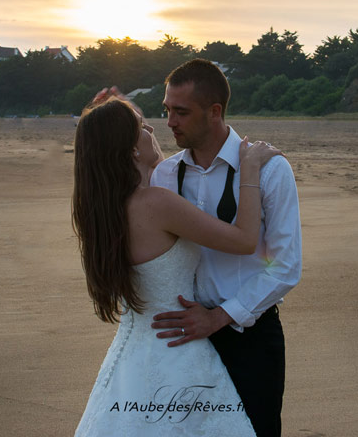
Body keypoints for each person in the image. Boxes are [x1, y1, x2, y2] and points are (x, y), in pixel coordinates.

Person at [72, 96, 280, 435]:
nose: (153, 127)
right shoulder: (157, 204)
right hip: (178, 351)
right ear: (131, 150)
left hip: (132, 357)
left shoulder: (103, 211)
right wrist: (251, 169)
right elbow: (243, 240)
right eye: (140, 126)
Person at [149, 59, 302, 437]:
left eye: (181, 112)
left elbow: (286, 267)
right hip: (181, 335)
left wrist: (219, 318)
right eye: (167, 111)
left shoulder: (270, 169)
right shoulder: (164, 174)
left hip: (249, 338)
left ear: (214, 111)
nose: (170, 122)